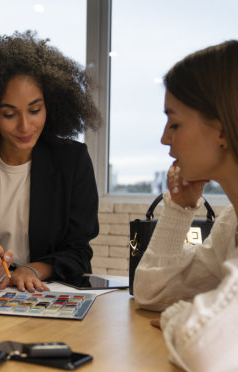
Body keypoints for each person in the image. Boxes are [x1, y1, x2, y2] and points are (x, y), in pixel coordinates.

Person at [0, 31, 100, 292]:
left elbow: (78, 250)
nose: (25, 126)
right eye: (9, 114)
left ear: (51, 105)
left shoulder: (72, 160)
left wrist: (31, 269)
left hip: (46, 291)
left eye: (35, 110)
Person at [133, 40, 238, 371]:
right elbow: (151, 294)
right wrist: (179, 209)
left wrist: (181, 314)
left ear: (220, 128)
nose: (165, 138)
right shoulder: (231, 223)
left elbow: (202, 347)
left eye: (174, 123)